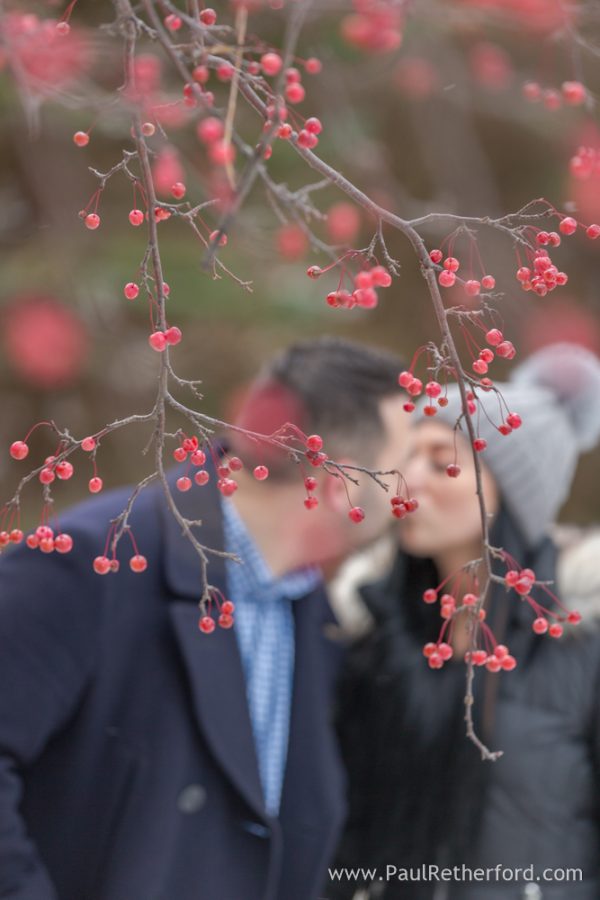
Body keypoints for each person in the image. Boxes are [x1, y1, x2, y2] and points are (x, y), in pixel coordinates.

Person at [0, 336, 409, 900]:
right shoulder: (97, 560)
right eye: (404, 465)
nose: (416, 488)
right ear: (341, 487)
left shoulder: (315, 616)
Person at [328, 343, 600, 900]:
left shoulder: (578, 642)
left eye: (441, 461)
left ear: (510, 494)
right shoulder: (371, 625)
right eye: (406, 457)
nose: (408, 481)